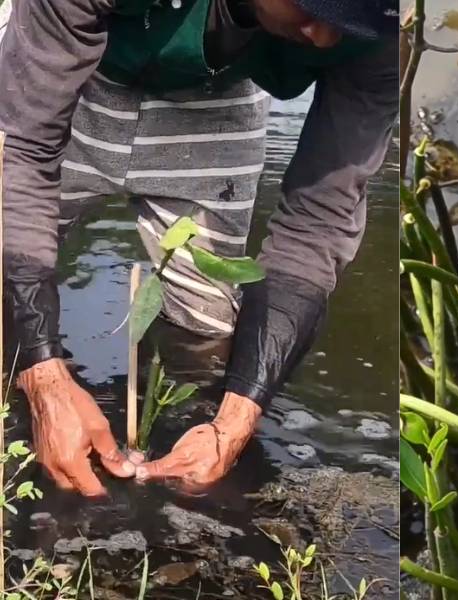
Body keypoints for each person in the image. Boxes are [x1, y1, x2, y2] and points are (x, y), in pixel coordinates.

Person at [0, 0, 398, 496]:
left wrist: (233, 423)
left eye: (350, 24)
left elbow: (317, 221)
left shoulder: (384, 31)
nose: (323, 37)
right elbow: (22, 150)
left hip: (215, 100)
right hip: (69, 77)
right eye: (311, 6)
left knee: (207, 337)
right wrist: (44, 381)